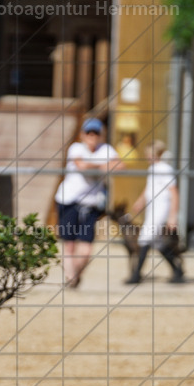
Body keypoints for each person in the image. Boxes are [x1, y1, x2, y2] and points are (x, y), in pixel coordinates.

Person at [55, 118, 121, 289]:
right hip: (69, 201)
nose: (92, 136)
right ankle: (71, 279)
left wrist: (97, 165)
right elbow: (81, 165)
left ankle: (74, 277)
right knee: (69, 245)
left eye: (96, 133)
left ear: (101, 135)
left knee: (86, 250)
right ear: (82, 135)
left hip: (91, 204)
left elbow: (120, 165)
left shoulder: (106, 149)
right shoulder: (76, 148)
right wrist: (104, 165)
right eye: (89, 133)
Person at [125, 140, 184, 284]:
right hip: (153, 208)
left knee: (144, 238)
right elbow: (149, 188)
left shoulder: (165, 169)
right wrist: (140, 201)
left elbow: (174, 192)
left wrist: (172, 216)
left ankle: (136, 275)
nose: (147, 156)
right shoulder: (153, 168)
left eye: (150, 154)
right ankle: (177, 270)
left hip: (161, 209)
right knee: (158, 243)